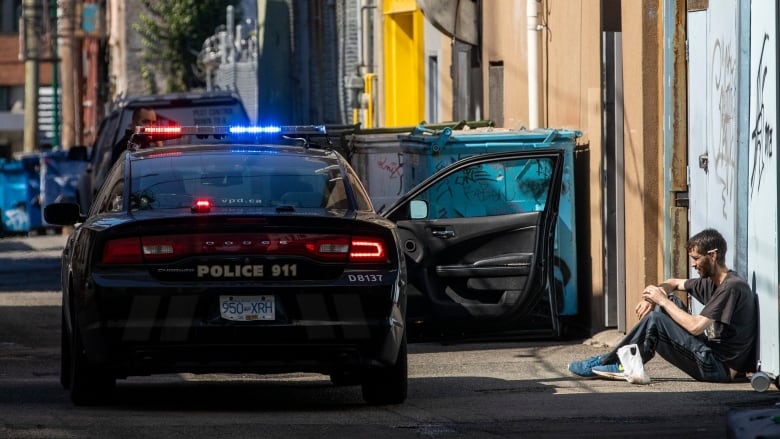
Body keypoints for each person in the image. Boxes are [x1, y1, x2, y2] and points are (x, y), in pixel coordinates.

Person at [569, 228, 757, 383]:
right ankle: (626, 363)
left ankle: (611, 361)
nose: (693, 264)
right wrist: (654, 297)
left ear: (713, 255)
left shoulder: (731, 287)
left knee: (658, 317)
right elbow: (673, 283)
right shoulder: (711, 282)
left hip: (720, 368)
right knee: (669, 303)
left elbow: (696, 326)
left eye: (697, 258)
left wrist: (661, 300)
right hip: (710, 354)